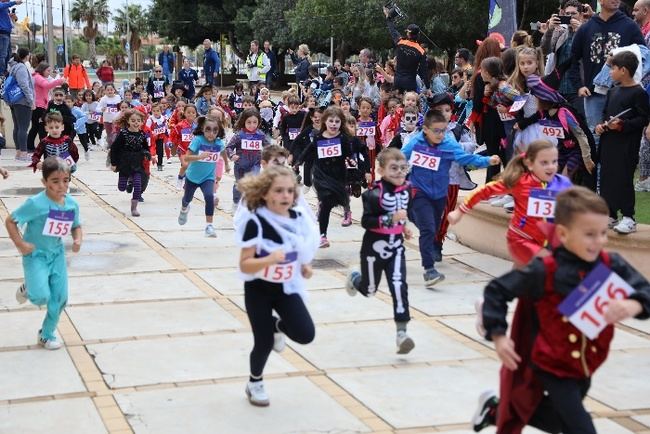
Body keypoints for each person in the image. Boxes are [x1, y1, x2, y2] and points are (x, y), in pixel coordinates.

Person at [478, 186, 650, 434]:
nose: (599, 241)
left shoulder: (611, 264)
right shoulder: (545, 270)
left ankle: (495, 410)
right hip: (551, 364)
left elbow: (644, 290)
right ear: (563, 233)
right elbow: (497, 290)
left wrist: (633, 303)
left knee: (561, 422)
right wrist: (499, 335)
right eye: (589, 234)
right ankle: (499, 409)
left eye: (603, 233)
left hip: (586, 363)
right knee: (582, 428)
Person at [236, 165, 319, 407]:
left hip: (286, 288)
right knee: (263, 342)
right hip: (259, 290)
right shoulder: (257, 222)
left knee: (305, 334)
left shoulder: (298, 219)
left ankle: (276, 325)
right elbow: (244, 265)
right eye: (279, 191)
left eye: (290, 191)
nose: (285, 196)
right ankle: (255, 382)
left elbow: (298, 250)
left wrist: (305, 266)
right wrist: (269, 259)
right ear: (264, 193)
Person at [402, 110, 500, 288]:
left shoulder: (448, 143)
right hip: (419, 191)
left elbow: (466, 158)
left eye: (443, 130)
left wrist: (487, 161)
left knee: (432, 225)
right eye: (436, 131)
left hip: (439, 194)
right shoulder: (416, 142)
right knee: (428, 230)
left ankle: (413, 217)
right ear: (425, 130)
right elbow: (400, 157)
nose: (440, 135)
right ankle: (429, 270)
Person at [6, 156, 82, 350]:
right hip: (35, 256)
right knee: (41, 297)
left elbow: (76, 225)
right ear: (44, 182)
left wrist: (77, 238)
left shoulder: (71, 204)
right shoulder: (36, 204)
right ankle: (29, 287)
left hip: (56, 255)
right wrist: (20, 244)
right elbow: (11, 221)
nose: (61, 186)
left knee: (59, 299)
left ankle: (46, 335)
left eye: (65, 180)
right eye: (55, 181)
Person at [346, 148, 416, 354]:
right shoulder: (372, 194)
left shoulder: (407, 190)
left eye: (403, 168)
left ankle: (402, 333)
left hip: (396, 246)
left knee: (399, 286)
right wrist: (390, 219)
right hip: (373, 247)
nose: (399, 173)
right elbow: (366, 222)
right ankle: (355, 279)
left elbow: (401, 214)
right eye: (393, 168)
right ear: (381, 170)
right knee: (369, 290)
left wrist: (403, 227)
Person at [595, 51, 650, 234]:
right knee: (607, 179)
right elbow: (604, 115)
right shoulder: (612, 91)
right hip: (608, 142)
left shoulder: (638, 92)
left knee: (624, 179)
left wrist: (622, 125)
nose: (610, 71)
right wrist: (601, 126)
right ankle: (610, 215)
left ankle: (629, 217)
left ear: (624, 70)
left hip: (626, 145)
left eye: (613, 68)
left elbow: (643, 118)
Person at [572, 0, 645, 139]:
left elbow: (644, 55)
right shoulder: (586, 28)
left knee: (620, 134)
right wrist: (579, 86)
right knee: (596, 137)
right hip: (593, 94)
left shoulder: (630, 26)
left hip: (622, 93)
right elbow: (573, 60)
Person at [296, 106, 352, 248]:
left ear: (341, 123)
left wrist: (353, 163)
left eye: (337, 121)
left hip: (338, 175)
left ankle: (345, 210)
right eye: (331, 121)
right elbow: (308, 150)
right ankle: (323, 235)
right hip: (322, 175)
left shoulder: (343, 139)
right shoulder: (319, 137)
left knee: (337, 198)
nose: (334, 124)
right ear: (324, 122)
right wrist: (298, 161)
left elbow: (350, 154)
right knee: (326, 203)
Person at [177, 116, 225, 237]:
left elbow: (224, 153)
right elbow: (186, 157)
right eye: (208, 130)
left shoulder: (219, 142)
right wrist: (199, 157)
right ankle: (184, 209)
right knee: (187, 199)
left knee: (209, 196)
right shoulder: (198, 140)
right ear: (203, 129)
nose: (211, 133)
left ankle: (209, 226)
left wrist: (228, 164)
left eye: (215, 130)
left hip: (208, 177)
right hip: (192, 177)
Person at [539, 1, 584, 116]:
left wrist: (580, 31)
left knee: (580, 123)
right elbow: (545, 50)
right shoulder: (560, 32)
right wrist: (549, 30)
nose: (570, 17)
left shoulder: (587, 31)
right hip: (559, 87)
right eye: (567, 14)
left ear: (581, 15)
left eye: (573, 14)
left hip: (578, 88)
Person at [226, 108, 271, 211]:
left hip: (255, 164)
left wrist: (269, 157)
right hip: (240, 165)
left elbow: (269, 148)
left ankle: (251, 205)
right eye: (249, 122)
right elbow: (228, 147)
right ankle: (236, 202)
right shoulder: (239, 136)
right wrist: (232, 155)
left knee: (254, 183)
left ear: (259, 122)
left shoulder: (260, 135)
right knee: (239, 185)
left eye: (255, 122)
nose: (252, 125)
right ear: (244, 122)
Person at [109, 109, 150, 217]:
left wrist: (147, 153)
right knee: (122, 188)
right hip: (124, 163)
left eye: (138, 120)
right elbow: (114, 148)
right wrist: (114, 163)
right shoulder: (123, 133)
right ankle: (127, 182)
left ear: (142, 122)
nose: (136, 123)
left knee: (138, 185)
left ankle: (134, 208)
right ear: (128, 121)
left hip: (137, 163)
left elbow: (145, 147)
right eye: (133, 120)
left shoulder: (142, 134)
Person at [383, 7, 430, 94]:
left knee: (397, 103)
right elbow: (424, 71)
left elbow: (392, 30)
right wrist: (428, 87)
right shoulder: (421, 51)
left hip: (397, 81)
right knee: (409, 104)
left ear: (408, 34)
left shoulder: (400, 42)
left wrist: (388, 18)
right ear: (418, 35)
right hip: (410, 83)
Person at [28, 62, 66, 151]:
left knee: (36, 127)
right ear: (42, 70)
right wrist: (59, 81)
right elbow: (47, 85)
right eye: (48, 70)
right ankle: (42, 147)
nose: (49, 72)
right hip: (39, 106)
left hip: (39, 105)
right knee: (40, 127)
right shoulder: (38, 77)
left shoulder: (37, 77)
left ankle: (31, 146)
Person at [7, 48, 35, 161]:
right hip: (22, 101)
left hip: (14, 100)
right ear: (27, 56)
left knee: (17, 127)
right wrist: (31, 100)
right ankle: (23, 153)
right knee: (23, 128)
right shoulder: (22, 67)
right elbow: (24, 85)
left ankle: (19, 152)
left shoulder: (13, 66)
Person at [0, 0, 22, 78]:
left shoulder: (6, 8)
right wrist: (14, 2)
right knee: (3, 54)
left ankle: (4, 71)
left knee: (8, 54)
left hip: (6, 33)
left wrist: (11, 16)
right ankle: (2, 73)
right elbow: (2, 6)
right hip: (2, 33)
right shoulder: (3, 5)